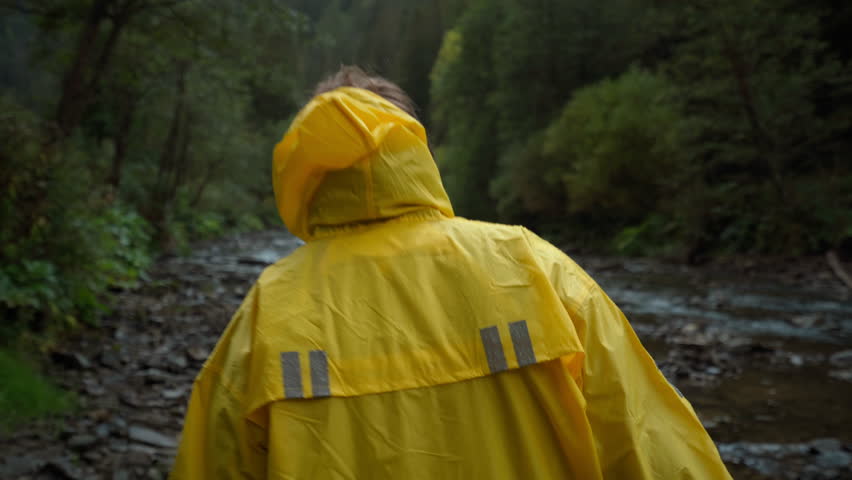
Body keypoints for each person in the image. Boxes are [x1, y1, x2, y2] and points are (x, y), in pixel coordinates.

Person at [169, 66, 732, 479]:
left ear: (304, 172)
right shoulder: (529, 263)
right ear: (414, 150)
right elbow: (647, 440)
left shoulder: (273, 303)